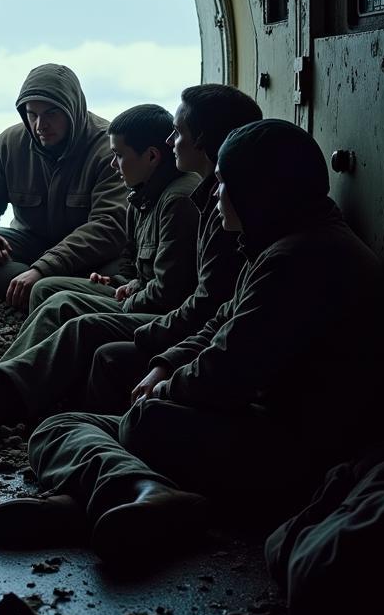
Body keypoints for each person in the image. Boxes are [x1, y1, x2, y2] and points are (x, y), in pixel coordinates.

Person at [0, 120, 384, 564]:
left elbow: (226, 372)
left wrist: (163, 390)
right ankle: (139, 494)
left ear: (258, 190)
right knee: (59, 426)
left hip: (295, 453)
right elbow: (223, 320)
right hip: (271, 424)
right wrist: (166, 363)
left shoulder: (299, 260)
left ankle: (105, 498)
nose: (215, 195)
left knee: (141, 421)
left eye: (225, 185)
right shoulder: (286, 241)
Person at [0, 104, 199, 430]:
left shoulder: (178, 201)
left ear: (151, 157)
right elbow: (133, 259)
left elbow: (169, 292)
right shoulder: (143, 194)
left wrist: (126, 294)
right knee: (51, 293)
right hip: (137, 292)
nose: (113, 163)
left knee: (74, 315)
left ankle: (0, 395)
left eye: (120, 156)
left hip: (159, 309)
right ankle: (0, 382)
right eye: (32, 114)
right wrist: (120, 280)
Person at [87, 83, 262, 412]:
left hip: (181, 328)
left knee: (93, 338)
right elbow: (222, 313)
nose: (170, 142)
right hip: (183, 328)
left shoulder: (208, 206)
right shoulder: (211, 200)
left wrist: (165, 369)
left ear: (204, 141)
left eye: (178, 133)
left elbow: (208, 308)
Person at [0, 63, 126, 311]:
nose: (40, 125)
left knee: (122, 274)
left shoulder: (107, 148)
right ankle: (50, 292)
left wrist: (43, 268)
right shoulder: (9, 143)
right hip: (30, 245)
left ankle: (47, 290)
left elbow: (109, 225)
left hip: (92, 257)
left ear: (73, 110)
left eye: (51, 114)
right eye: (32, 114)